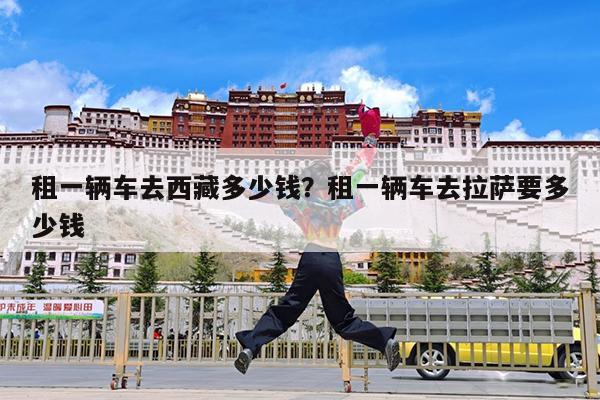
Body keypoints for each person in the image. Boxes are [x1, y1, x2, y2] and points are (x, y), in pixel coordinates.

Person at [233, 103, 400, 374]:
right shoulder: (341, 190)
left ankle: (251, 347)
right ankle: (384, 341)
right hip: (331, 259)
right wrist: (370, 138)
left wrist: (238, 184)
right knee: (343, 319)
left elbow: (263, 192)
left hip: (311, 257)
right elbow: (360, 166)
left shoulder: (301, 199)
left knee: (287, 310)